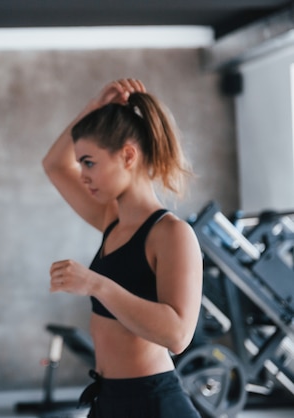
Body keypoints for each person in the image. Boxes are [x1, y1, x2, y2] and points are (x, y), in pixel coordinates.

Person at [42, 79, 203, 418]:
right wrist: (93, 107)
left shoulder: (171, 234)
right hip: (109, 400)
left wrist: (95, 284)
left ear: (128, 155)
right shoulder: (110, 220)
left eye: (89, 162)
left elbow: (178, 334)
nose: (82, 174)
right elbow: (54, 165)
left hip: (153, 404)